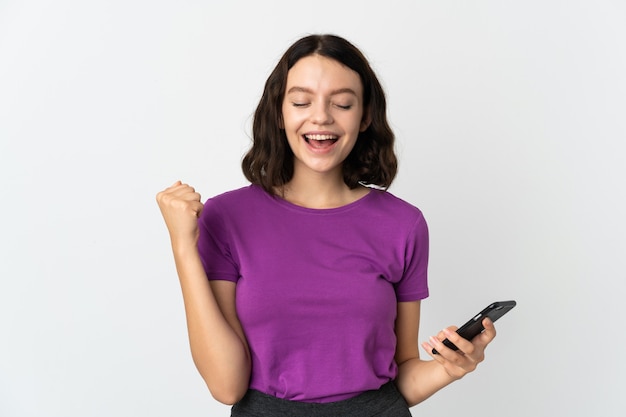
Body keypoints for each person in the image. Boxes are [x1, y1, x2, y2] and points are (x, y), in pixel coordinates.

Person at [156, 34, 496, 416]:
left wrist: (450, 368)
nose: (321, 117)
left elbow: (402, 377)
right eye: (301, 101)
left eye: (343, 103)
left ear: (365, 115)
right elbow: (226, 385)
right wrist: (183, 246)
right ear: (279, 113)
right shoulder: (226, 218)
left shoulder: (404, 224)